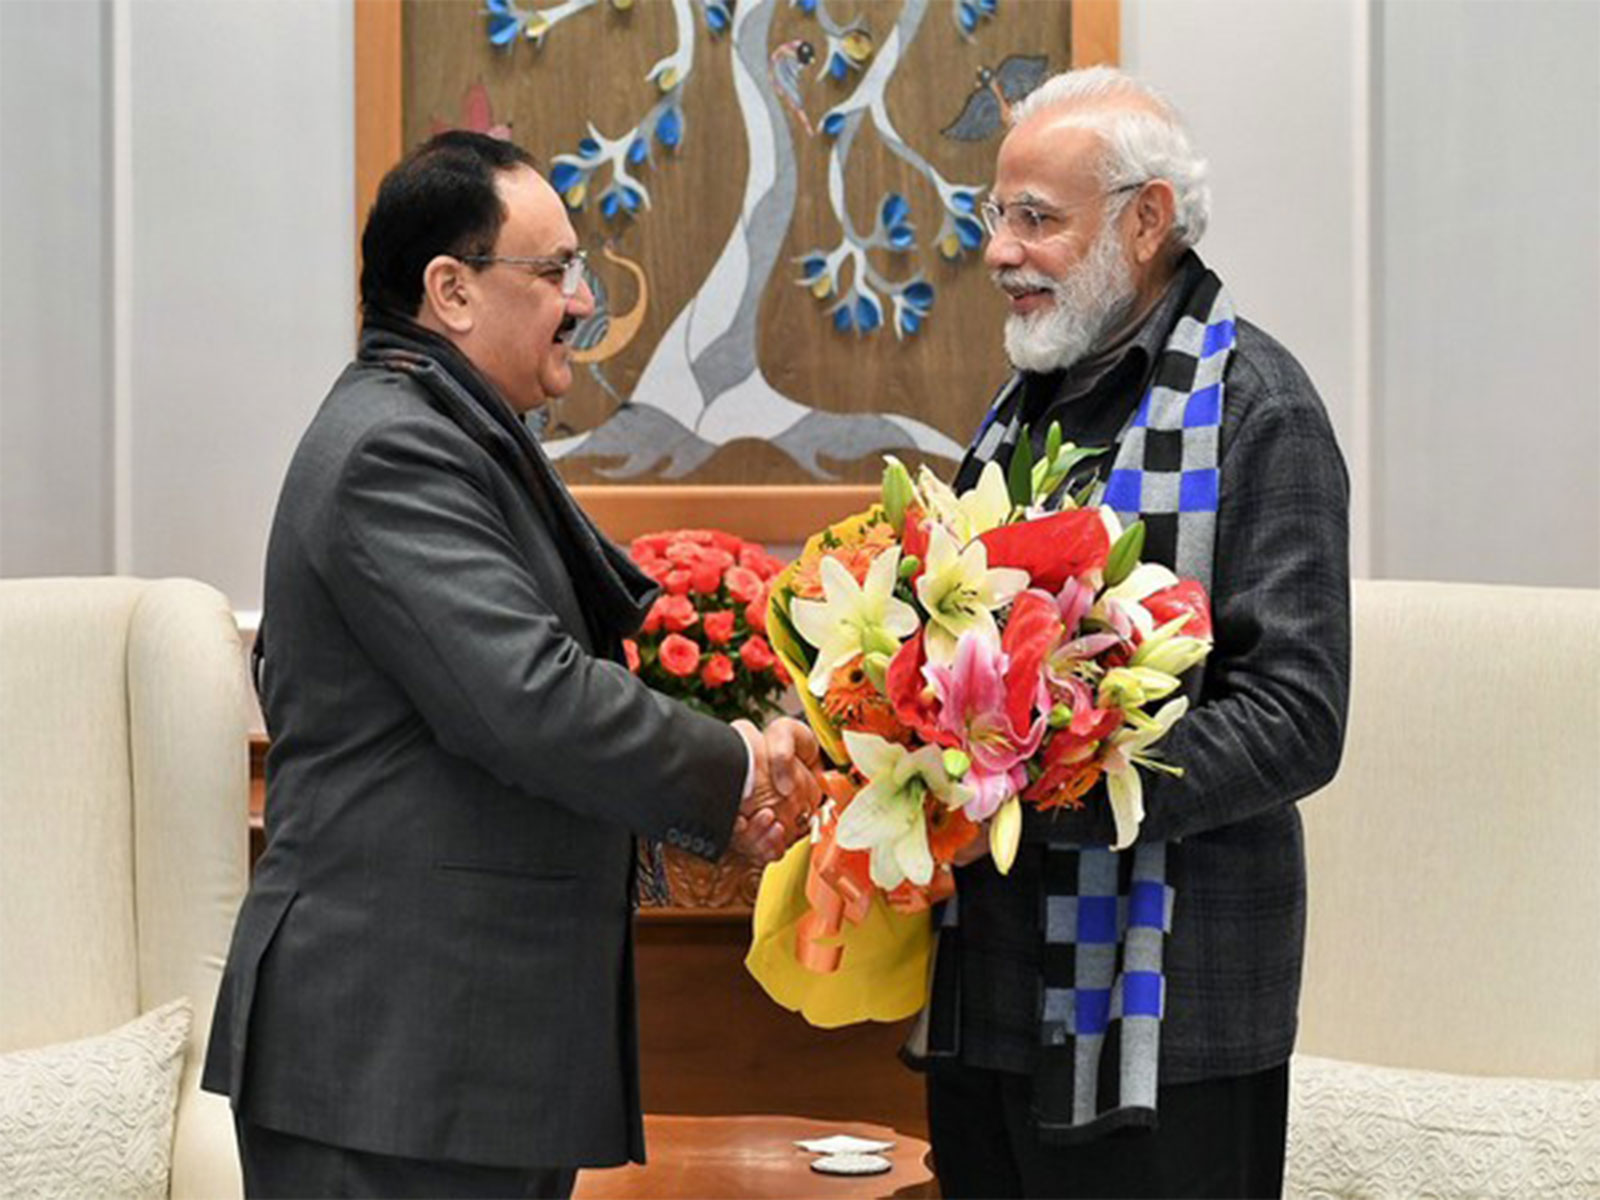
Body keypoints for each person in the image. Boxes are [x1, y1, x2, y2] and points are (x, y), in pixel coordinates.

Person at [202, 131, 818, 1199]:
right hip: (391, 1061)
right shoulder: (392, 452)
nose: (581, 303)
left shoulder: (444, 428)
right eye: (553, 272)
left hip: (452, 1060)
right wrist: (733, 770)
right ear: (449, 290)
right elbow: (527, 698)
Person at [919, 68, 1351, 1198]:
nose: (1000, 251)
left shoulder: (1259, 407)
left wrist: (1051, 785)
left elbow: (1296, 718)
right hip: (992, 1001)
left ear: (1145, 220)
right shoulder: (1024, 409)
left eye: (1036, 219)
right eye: (993, 216)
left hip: (1180, 1012)